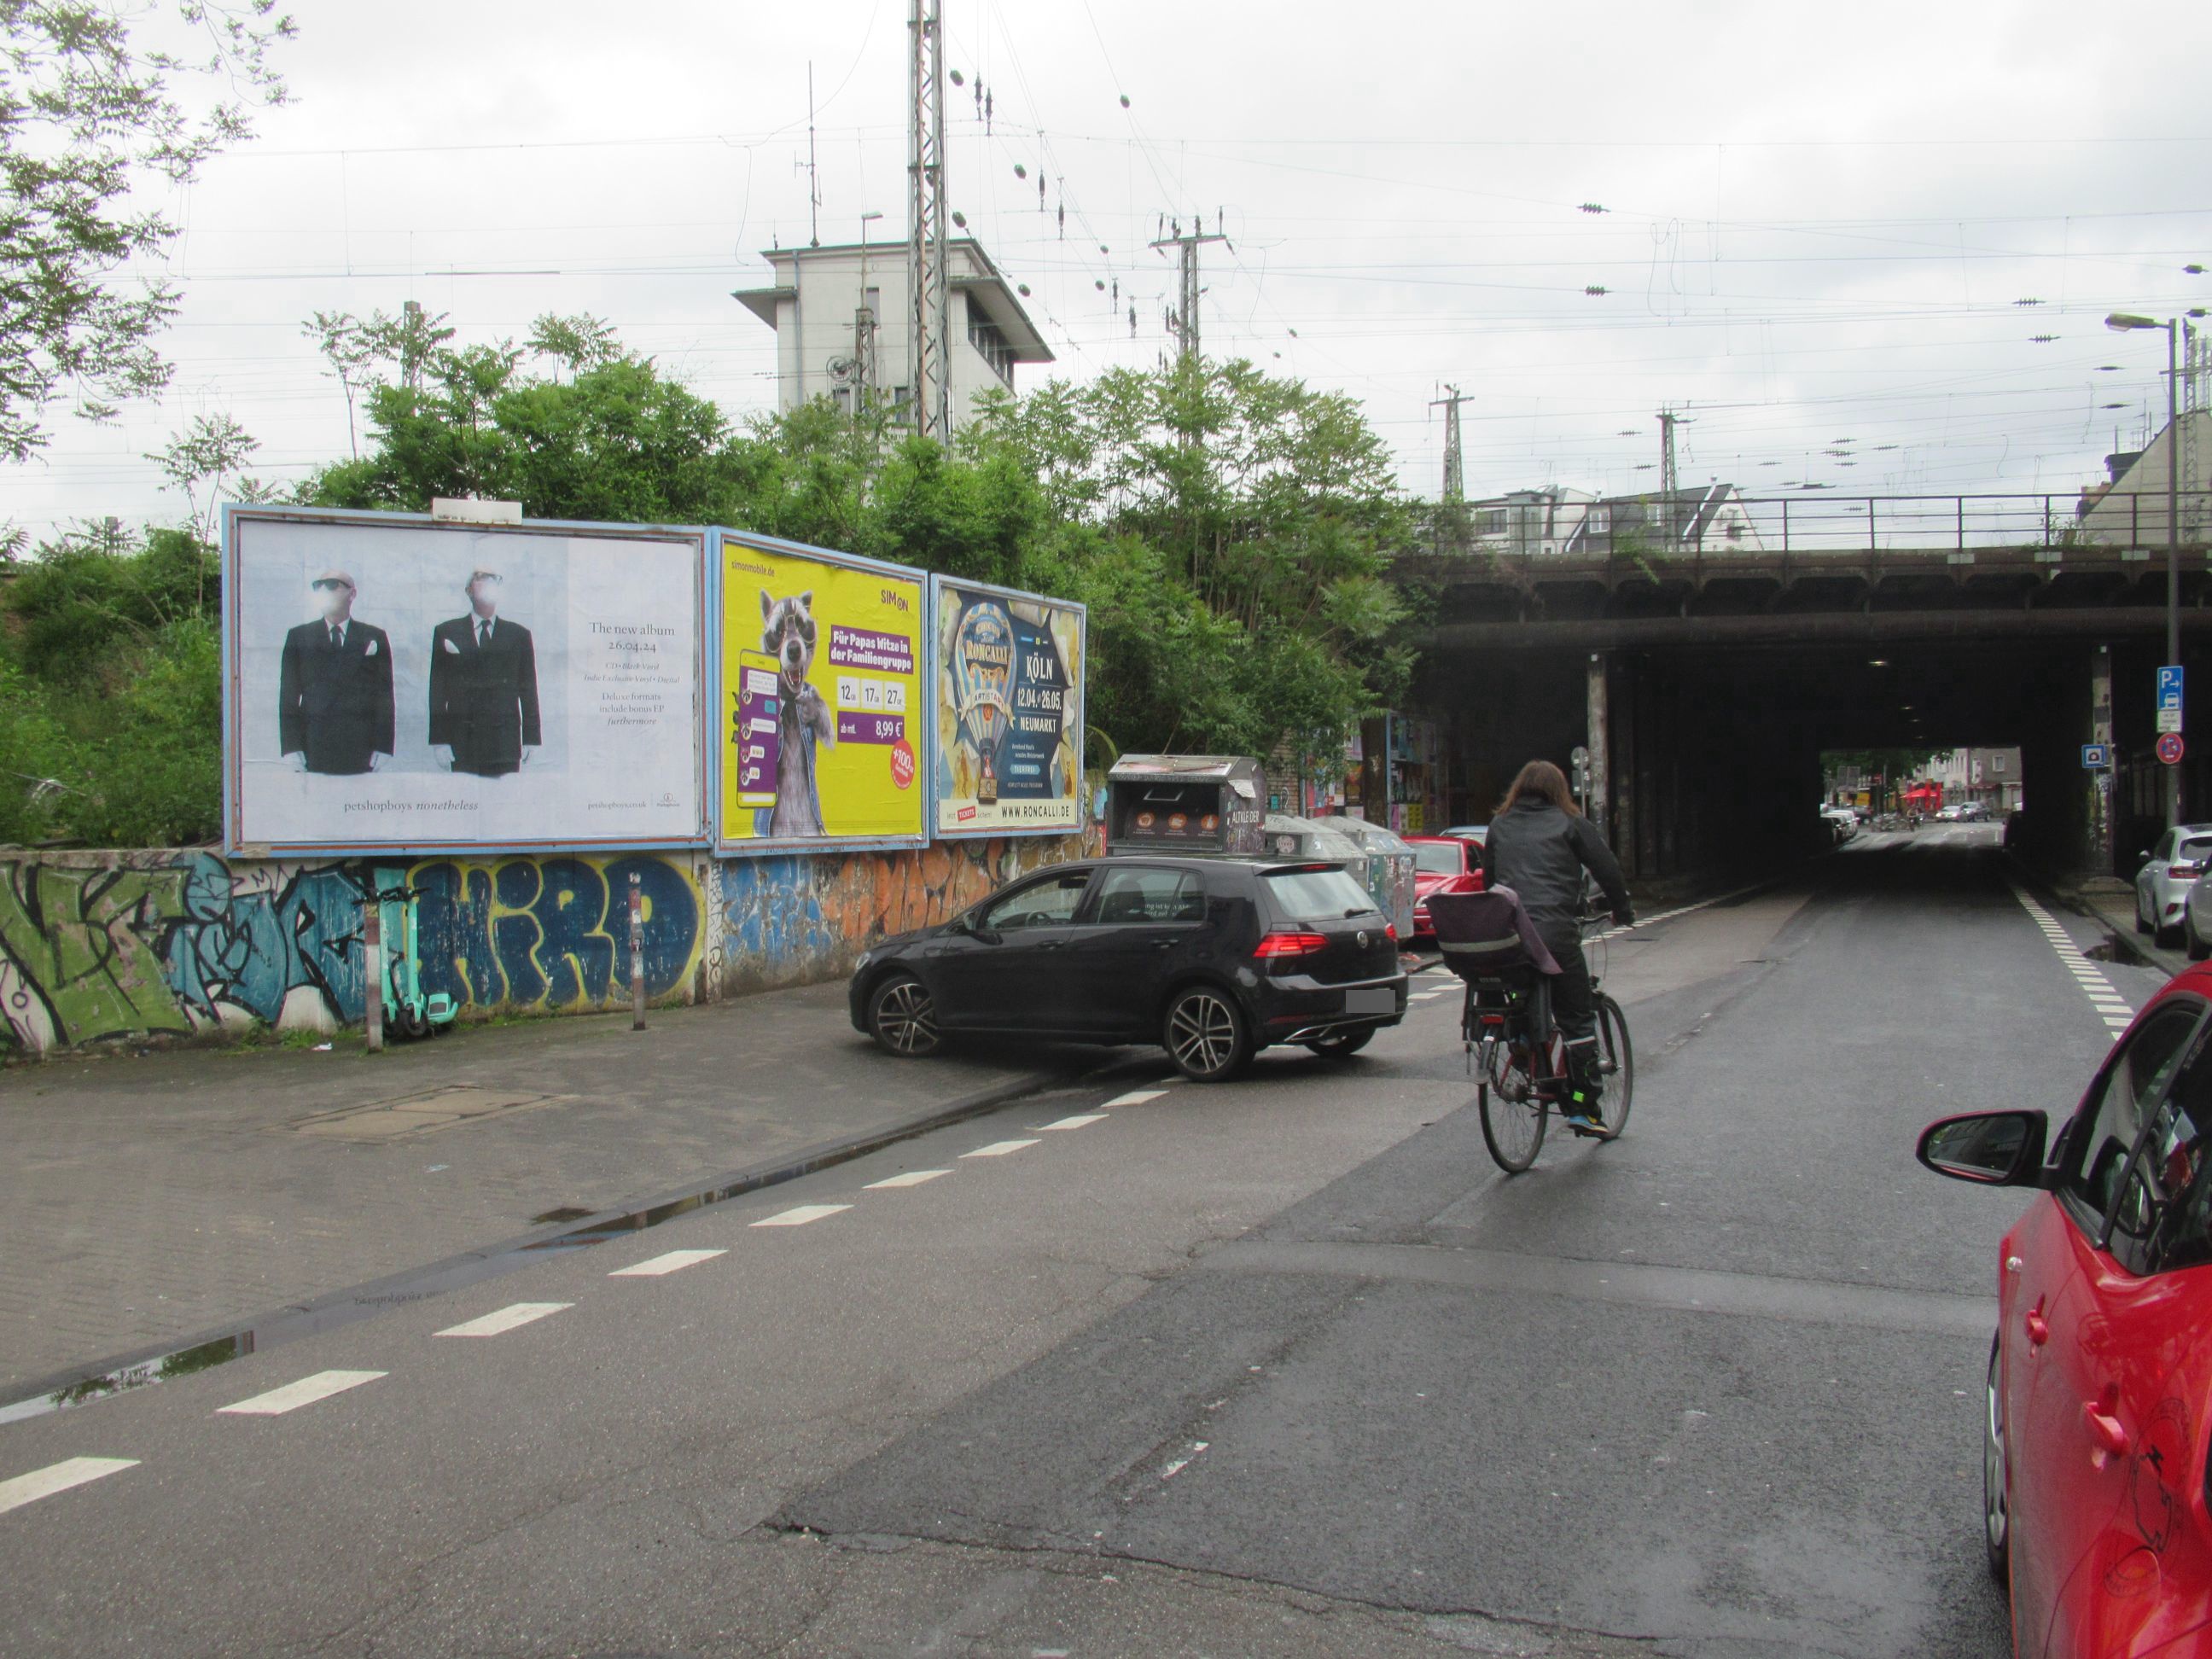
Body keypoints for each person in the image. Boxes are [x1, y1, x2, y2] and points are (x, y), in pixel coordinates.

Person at [1478, 759, 1634, 1136]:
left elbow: (1490, 882)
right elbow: (1607, 868)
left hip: (1509, 936)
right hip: (1555, 936)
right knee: (1577, 1020)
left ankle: (1520, 1040)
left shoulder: (1499, 824)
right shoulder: (1571, 822)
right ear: (1558, 789)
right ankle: (1582, 1106)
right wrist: (1622, 909)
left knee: (1518, 990)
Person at [276, 569, 393, 776]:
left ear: (352, 593)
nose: (324, 591)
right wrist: (291, 747)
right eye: (318, 586)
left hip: (361, 747)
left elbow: (384, 696)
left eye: (332, 585)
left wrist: (383, 746)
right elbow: (289, 697)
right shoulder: (300, 636)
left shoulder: (374, 636)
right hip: (313, 745)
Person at [428, 568, 541, 777]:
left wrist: (531, 738)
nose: (487, 591)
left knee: (504, 796)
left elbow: (528, 690)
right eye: (480, 585)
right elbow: (437, 690)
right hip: (462, 738)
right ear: (469, 591)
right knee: (465, 794)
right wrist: (439, 740)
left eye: (492, 586)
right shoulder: (447, 632)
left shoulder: (519, 635)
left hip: (504, 739)